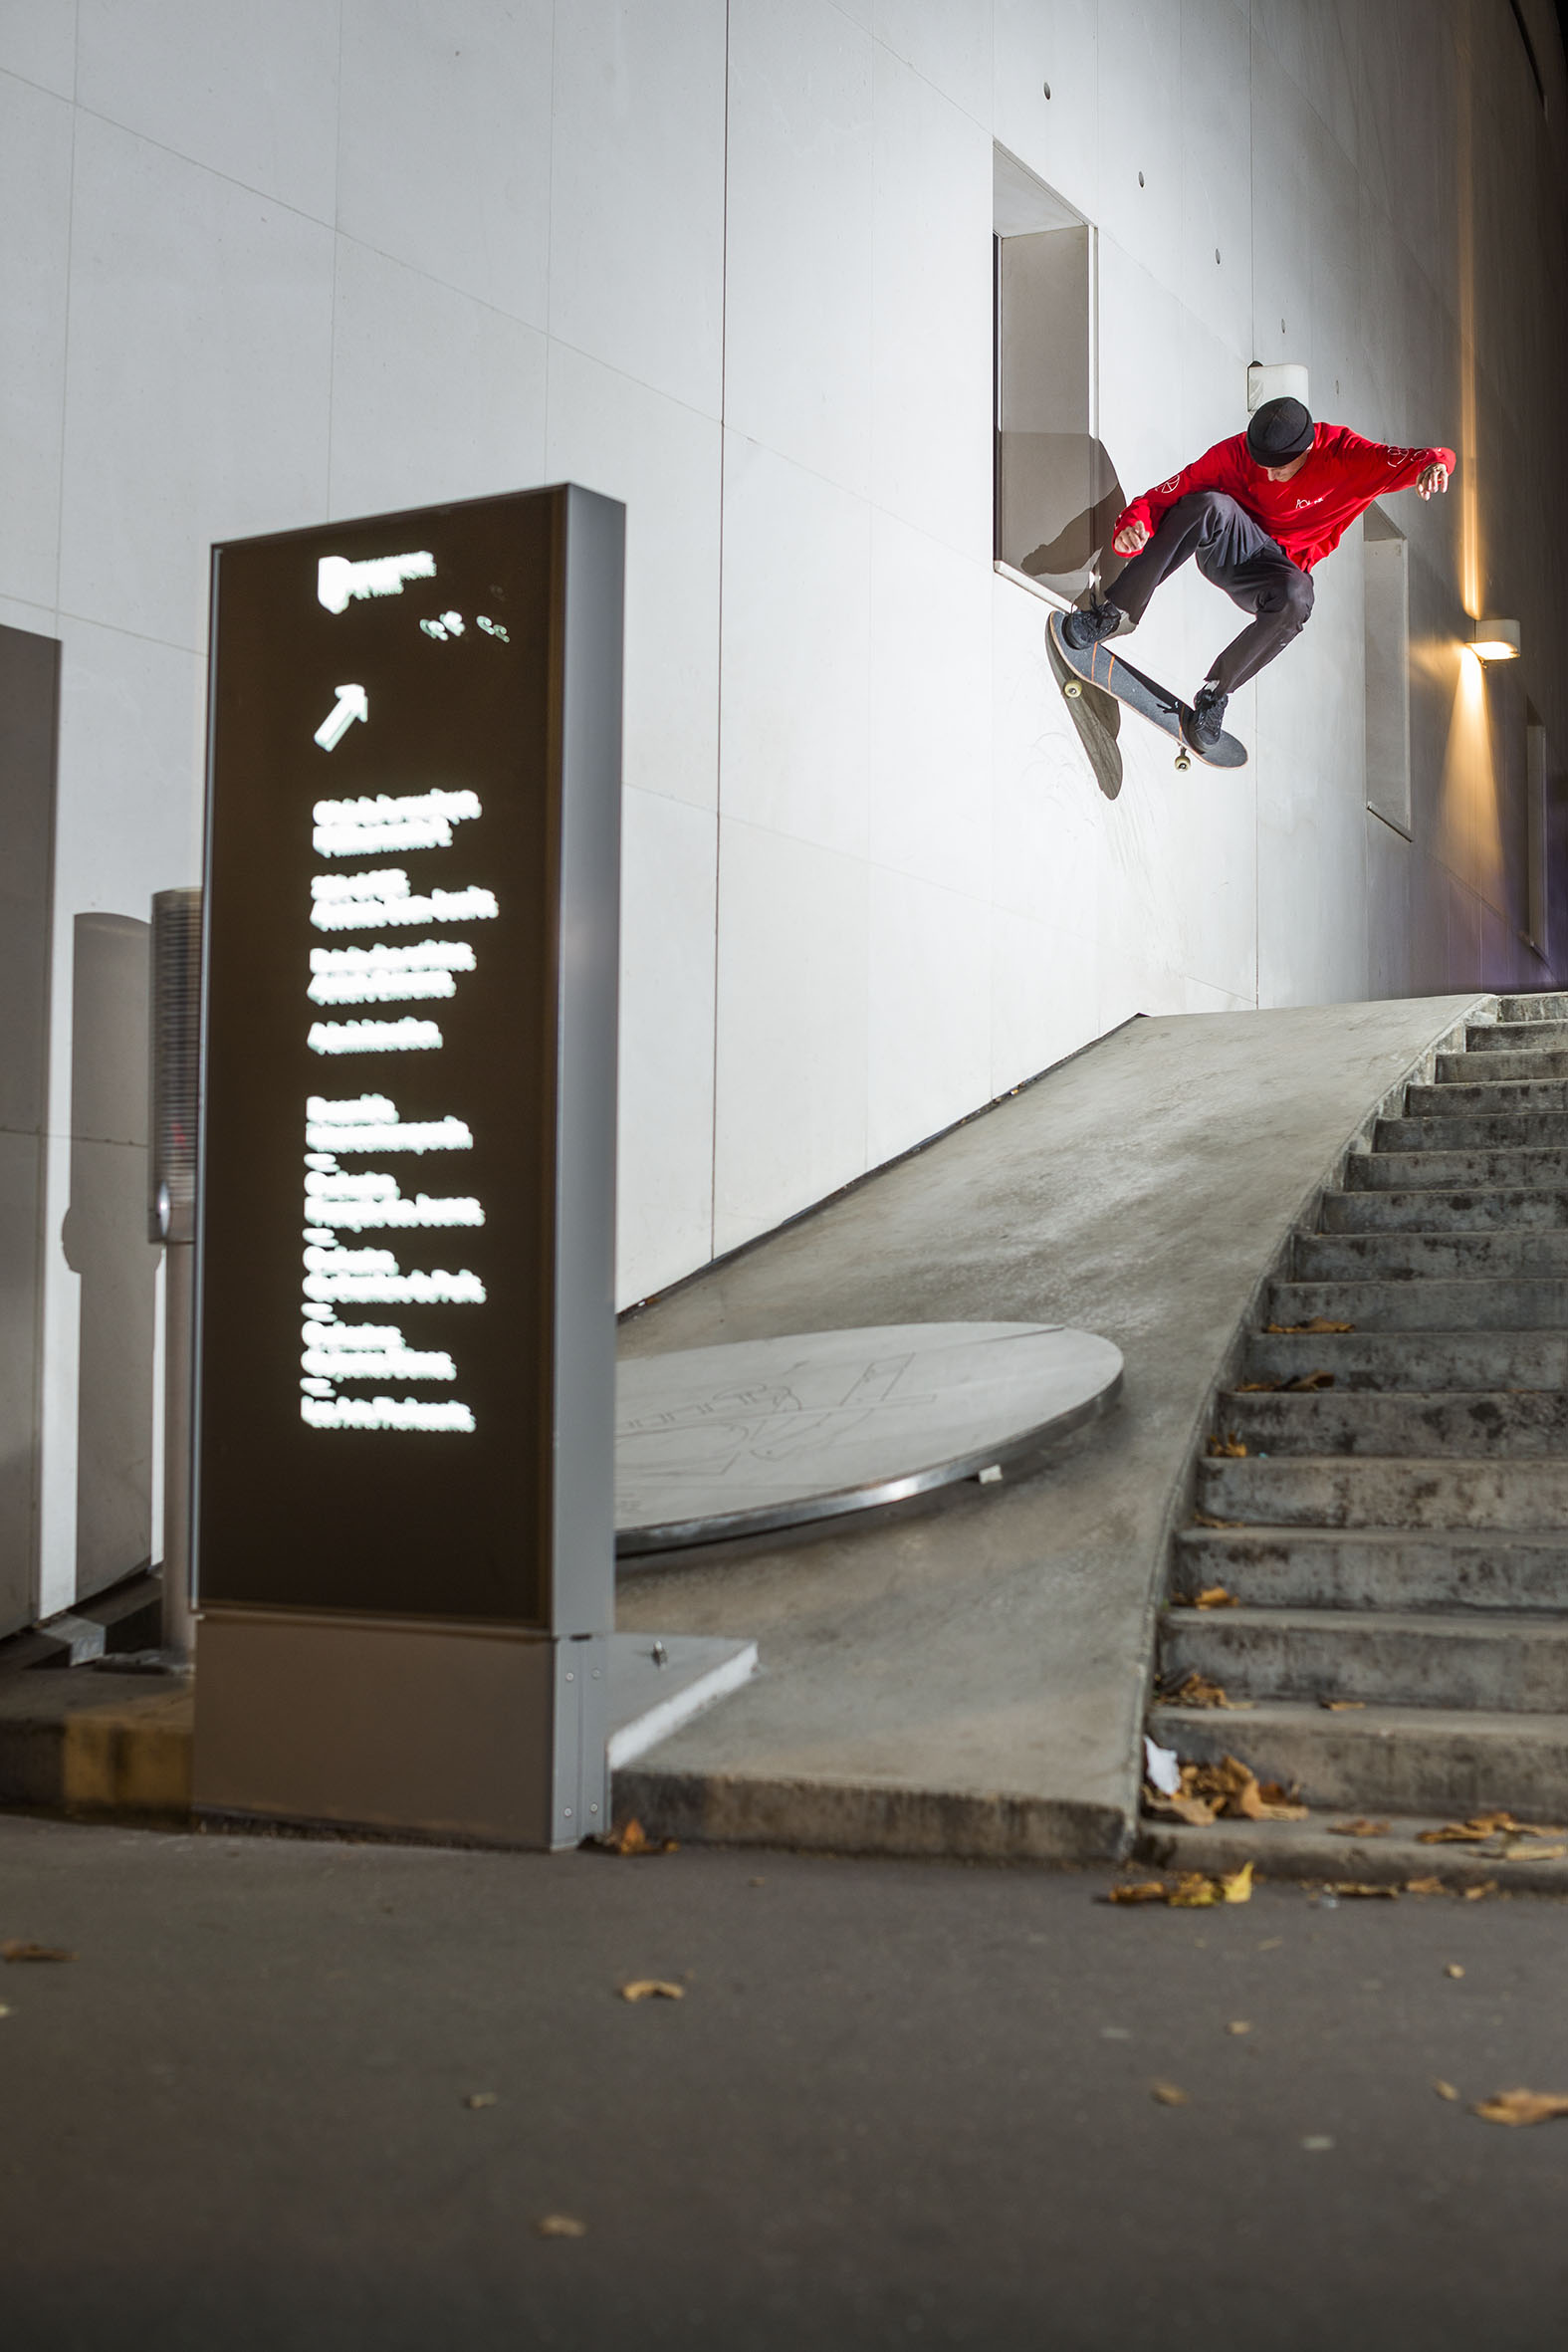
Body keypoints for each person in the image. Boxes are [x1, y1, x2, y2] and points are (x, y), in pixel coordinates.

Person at [1060, 397, 1456, 750]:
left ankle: (1216, 694)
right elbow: (1160, 498)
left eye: (1281, 469)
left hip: (1274, 574)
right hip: (1230, 546)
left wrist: (1434, 467)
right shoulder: (1232, 455)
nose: (1269, 477)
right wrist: (1132, 527)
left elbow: (1423, 457)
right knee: (1208, 504)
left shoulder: (1346, 455)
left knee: (1299, 595)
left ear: (1308, 449)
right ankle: (1112, 613)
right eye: (1262, 466)